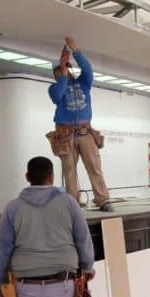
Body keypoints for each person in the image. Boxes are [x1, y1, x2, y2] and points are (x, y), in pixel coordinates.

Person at [0, 156, 95, 297]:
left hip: (26, 290)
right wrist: (87, 268)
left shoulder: (13, 208)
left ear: (27, 176)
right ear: (52, 177)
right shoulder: (69, 203)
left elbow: (1, 248)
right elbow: (83, 239)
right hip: (63, 287)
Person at [48, 37, 113, 212]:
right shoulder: (54, 88)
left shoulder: (83, 83)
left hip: (85, 132)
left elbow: (88, 69)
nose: (65, 72)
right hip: (65, 133)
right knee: (69, 170)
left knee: (94, 166)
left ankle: (103, 199)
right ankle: (72, 203)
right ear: (56, 75)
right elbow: (58, 95)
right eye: (60, 72)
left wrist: (76, 51)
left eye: (67, 69)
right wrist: (62, 75)